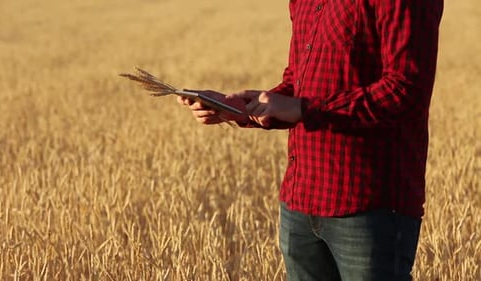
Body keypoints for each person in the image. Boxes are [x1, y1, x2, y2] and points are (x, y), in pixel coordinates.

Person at [178, 0, 443, 280]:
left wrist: (304, 109)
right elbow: (299, 83)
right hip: (300, 202)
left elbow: (404, 91)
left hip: (370, 207)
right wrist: (238, 109)